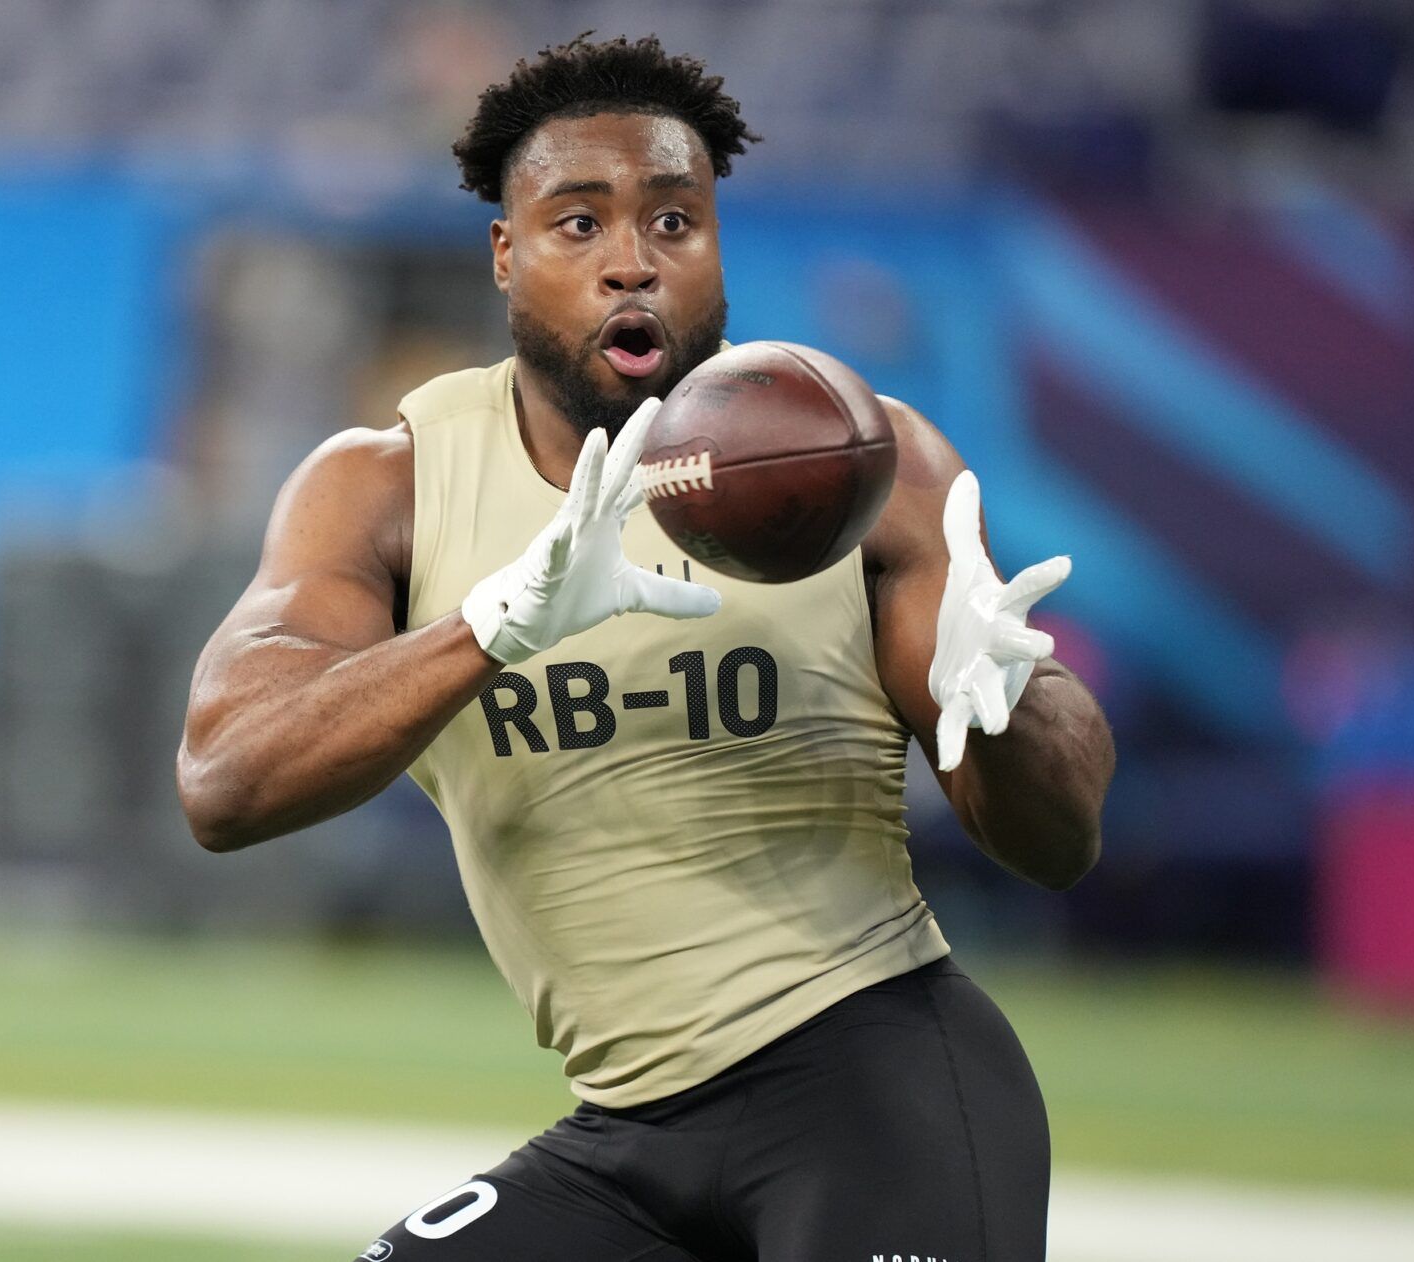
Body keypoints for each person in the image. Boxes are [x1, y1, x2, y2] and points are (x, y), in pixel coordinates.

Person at [176, 34, 1114, 1262]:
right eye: (580, 224)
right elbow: (224, 781)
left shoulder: (850, 461)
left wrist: (998, 702)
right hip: (628, 1134)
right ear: (506, 255)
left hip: (878, 1079)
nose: (633, 260)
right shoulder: (392, 486)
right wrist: (488, 626)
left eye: (675, 221)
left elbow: (1059, 840)